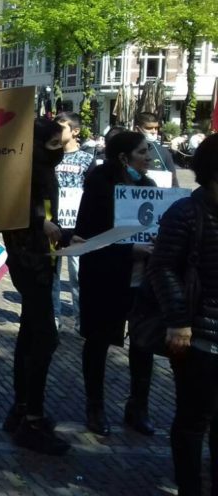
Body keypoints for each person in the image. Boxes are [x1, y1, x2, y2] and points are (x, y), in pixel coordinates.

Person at [75, 130, 157, 437]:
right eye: (143, 152)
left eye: (149, 152)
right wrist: (128, 250)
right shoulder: (98, 185)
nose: (149, 158)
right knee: (98, 341)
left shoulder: (149, 186)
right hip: (105, 277)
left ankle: (138, 406)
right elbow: (86, 234)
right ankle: (95, 406)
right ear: (124, 157)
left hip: (140, 279)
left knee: (143, 342)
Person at [149, 134, 218, 495]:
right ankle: (190, 487)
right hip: (199, 338)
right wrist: (179, 321)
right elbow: (162, 268)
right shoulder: (187, 213)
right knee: (194, 419)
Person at [0, 117, 70, 455]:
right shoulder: (25, 171)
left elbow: (45, 213)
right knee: (44, 337)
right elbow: (12, 206)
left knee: (30, 333)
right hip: (32, 264)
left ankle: (21, 409)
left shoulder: (40, 169)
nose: (60, 151)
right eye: (54, 145)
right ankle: (32, 417)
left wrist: (64, 235)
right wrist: (39, 222)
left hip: (40, 260)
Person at [53, 112, 94, 329]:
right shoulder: (51, 158)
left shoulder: (88, 160)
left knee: (78, 275)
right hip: (54, 226)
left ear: (75, 131)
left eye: (62, 128)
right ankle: (54, 319)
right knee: (52, 276)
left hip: (77, 227)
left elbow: (92, 194)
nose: (57, 132)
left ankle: (82, 319)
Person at [134, 112, 179, 188]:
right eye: (149, 128)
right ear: (137, 129)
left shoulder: (163, 152)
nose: (154, 131)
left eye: (156, 128)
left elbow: (174, 183)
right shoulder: (128, 150)